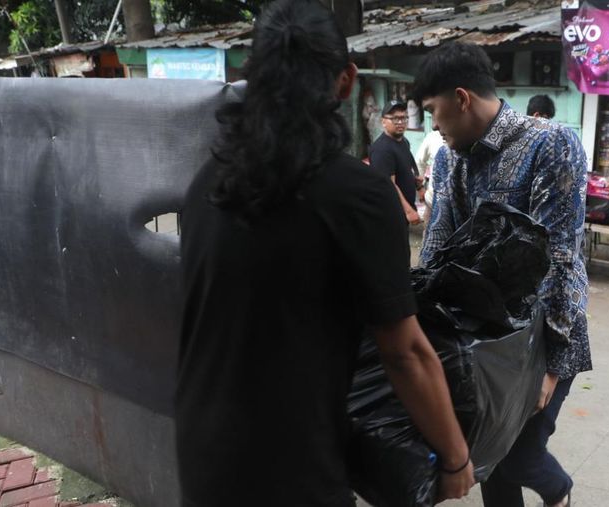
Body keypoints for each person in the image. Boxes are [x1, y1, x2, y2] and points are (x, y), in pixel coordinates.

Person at [176, 2, 475, 505]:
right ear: (346, 81)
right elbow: (404, 351)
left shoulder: (209, 180)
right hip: (292, 466)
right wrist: (455, 457)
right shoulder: (357, 193)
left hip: (200, 449)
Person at [414, 41, 589, 507]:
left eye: (433, 110)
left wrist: (550, 364)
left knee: (520, 457)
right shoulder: (451, 157)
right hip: (481, 338)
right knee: (489, 457)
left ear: (461, 98)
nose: (432, 125)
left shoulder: (552, 144)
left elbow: (561, 256)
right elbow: (437, 241)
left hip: (545, 335)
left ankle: (559, 492)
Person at [369, 100, 423, 225]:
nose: (400, 122)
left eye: (404, 118)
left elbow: (409, 166)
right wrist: (409, 212)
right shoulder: (381, 150)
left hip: (402, 210)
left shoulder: (403, 141)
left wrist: (419, 187)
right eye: (395, 118)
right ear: (383, 121)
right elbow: (389, 185)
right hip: (391, 213)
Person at [415, 129, 445, 223]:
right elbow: (419, 162)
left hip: (459, 204)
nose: (434, 126)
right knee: (429, 233)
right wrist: (420, 187)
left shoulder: (467, 135)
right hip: (432, 201)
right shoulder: (433, 137)